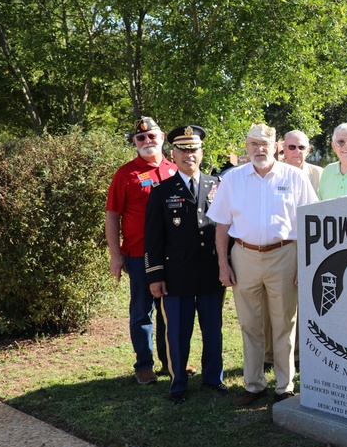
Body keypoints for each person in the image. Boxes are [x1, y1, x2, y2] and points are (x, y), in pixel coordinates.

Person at [208, 123, 317, 406]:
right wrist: (223, 264)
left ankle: (285, 387)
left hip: (284, 255)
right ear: (246, 147)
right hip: (244, 256)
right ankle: (254, 385)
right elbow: (221, 224)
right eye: (253, 144)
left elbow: (309, 224)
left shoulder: (294, 177)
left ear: (276, 147)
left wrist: (304, 264)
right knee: (250, 324)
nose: (259, 149)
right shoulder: (233, 179)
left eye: (264, 145)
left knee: (284, 323)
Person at [144, 125, 227, 404]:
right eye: (183, 150)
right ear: (173, 154)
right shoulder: (161, 191)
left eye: (194, 150)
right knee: (177, 333)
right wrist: (155, 276)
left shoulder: (217, 186)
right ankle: (178, 382)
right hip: (176, 275)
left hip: (210, 272)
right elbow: (152, 238)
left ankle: (213, 377)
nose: (189, 155)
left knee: (213, 329)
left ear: (201, 153)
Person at [105, 116, 181, 385]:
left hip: (172, 255)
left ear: (162, 139)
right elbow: (112, 216)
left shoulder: (175, 169)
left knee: (170, 311)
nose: (147, 141)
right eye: (141, 138)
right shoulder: (126, 174)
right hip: (139, 255)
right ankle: (144, 364)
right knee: (142, 311)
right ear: (135, 142)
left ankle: (171, 361)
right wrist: (116, 256)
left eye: (152, 137)